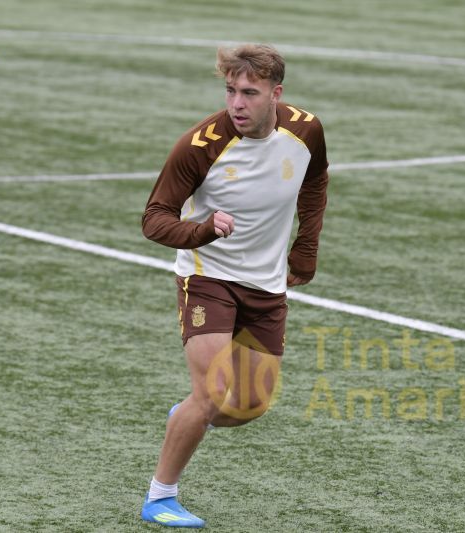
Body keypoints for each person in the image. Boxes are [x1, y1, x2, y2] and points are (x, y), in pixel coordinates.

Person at [139, 43, 329, 528]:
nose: (237, 104)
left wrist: (306, 247)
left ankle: (187, 416)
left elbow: (315, 181)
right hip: (207, 278)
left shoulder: (306, 129)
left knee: (248, 406)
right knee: (212, 391)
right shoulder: (200, 145)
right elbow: (154, 220)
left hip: (266, 286)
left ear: (275, 94)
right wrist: (201, 230)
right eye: (230, 91)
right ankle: (160, 496)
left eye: (249, 93)